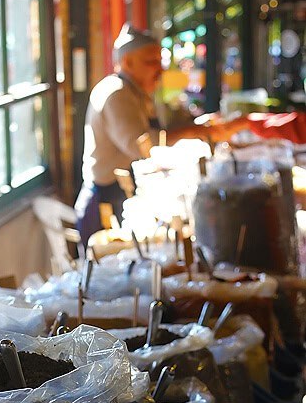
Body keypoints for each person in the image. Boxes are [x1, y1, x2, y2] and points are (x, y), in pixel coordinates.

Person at [75, 23, 246, 248]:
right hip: (106, 201)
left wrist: (194, 126)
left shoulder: (136, 91)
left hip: (122, 194)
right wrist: (194, 131)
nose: (160, 69)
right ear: (127, 62)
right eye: (151, 62)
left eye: (160, 61)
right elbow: (142, 148)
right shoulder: (116, 94)